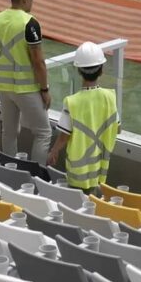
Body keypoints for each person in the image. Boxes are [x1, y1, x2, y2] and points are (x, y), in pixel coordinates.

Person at [0, 0, 52, 163]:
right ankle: (38, 177)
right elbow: (38, 62)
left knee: (9, 131)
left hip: (3, 87)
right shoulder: (30, 23)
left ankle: (9, 171)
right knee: (43, 132)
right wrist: (44, 89)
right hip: (26, 89)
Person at [47, 42, 120, 192]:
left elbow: (64, 136)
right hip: (100, 168)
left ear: (79, 71)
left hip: (77, 172)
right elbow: (117, 128)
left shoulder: (72, 102)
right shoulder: (110, 97)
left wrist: (54, 151)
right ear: (101, 70)